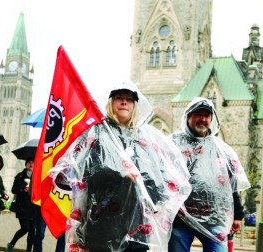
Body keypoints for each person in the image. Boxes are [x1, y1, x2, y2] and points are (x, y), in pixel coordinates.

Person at [49, 81, 191, 251]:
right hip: (101, 222)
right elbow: (83, 172)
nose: (124, 102)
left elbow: (159, 177)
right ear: (111, 102)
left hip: (137, 226)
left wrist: (152, 190)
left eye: (129, 99)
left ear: (134, 105)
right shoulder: (98, 132)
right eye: (119, 98)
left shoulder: (146, 136)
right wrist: (119, 172)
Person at [168, 97, 251, 252]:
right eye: (198, 114)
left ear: (212, 119)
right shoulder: (172, 144)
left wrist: (238, 215)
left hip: (215, 218)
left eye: (206, 116)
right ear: (188, 117)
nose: (203, 119)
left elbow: (231, 184)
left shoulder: (223, 149)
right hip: (180, 219)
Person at [6, 159, 36, 252]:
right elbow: (14, 190)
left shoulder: (37, 176)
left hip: (33, 207)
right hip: (22, 207)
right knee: (25, 228)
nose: (31, 164)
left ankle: (28, 250)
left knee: (32, 231)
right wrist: (23, 189)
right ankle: (11, 243)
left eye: (33, 162)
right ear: (26, 164)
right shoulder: (19, 176)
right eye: (29, 162)